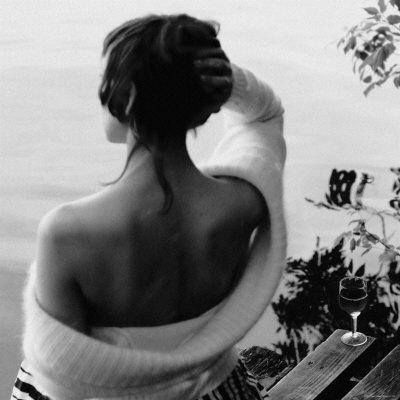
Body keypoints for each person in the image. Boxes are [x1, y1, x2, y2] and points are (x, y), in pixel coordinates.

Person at [11, 13, 286, 400]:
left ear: (127, 98)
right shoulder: (243, 203)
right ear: (208, 100)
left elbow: (61, 380)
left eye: (106, 80)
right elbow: (265, 114)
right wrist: (220, 81)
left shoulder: (68, 231)